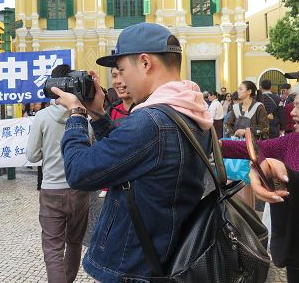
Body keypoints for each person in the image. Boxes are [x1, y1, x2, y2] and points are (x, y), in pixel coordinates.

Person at [51, 22, 213, 281]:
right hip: (166, 258)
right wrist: (99, 114)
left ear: (145, 62)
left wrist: (77, 114)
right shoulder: (192, 112)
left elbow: (79, 172)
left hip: (133, 268)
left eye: (122, 70)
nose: (120, 81)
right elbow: (131, 157)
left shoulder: (151, 123)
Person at [221, 95, 299, 282]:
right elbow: (253, 149)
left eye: (298, 106)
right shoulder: (292, 141)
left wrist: (279, 171)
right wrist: (215, 144)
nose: (293, 113)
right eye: (294, 106)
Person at [26, 64, 90, 283]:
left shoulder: (42, 117)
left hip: (51, 190)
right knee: (74, 242)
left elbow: (32, 156)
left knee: (53, 248)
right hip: (79, 190)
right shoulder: (85, 117)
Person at [99, 67, 134, 198]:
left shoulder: (150, 110)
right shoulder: (111, 111)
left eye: (123, 75)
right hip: (116, 189)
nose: (118, 81)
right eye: (114, 76)